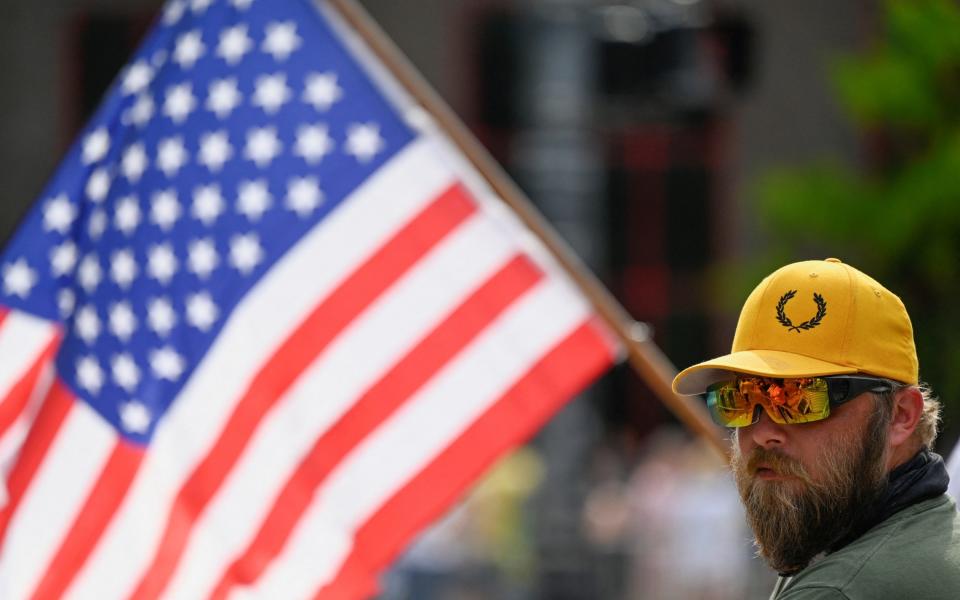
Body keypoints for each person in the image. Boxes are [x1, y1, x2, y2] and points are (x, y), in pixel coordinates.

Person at [672, 258, 960, 599]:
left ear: (901, 416)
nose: (763, 433)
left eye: (800, 399)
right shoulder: (931, 533)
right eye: (740, 399)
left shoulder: (836, 590)